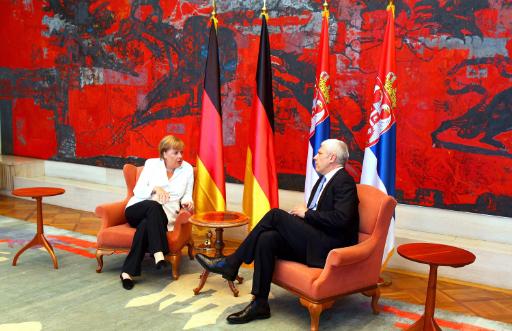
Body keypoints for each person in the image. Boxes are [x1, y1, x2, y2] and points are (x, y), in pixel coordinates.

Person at [196, 139, 359, 324]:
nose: (315, 156)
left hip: (328, 248)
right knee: (267, 238)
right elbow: (322, 215)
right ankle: (259, 303)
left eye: (319, 153)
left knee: (275, 215)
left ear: (332, 158)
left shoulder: (344, 181)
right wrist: (303, 218)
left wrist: (307, 214)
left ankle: (231, 262)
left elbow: (342, 219)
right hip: (315, 239)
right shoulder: (324, 181)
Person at [120, 135, 194, 290]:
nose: (180, 156)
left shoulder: (187, 169)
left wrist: (188, 202)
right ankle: (158, 252)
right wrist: (155, 188)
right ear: (164, 153)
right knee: (153, 206)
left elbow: (187, 194)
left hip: (164, 215)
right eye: (175, 153)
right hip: (138, 208)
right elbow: (137, 191)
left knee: (147, 224)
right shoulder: (151, 164)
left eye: (181, 152)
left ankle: (127, 272)